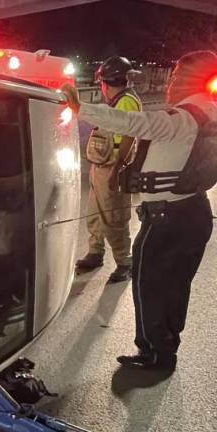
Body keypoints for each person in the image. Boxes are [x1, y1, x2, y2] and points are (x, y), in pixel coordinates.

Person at [61, 50, 217, 371]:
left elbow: (134, 123)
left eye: (177, 76)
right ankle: (167, 348)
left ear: (194, 79)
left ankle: (152, 352)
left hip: (166, 219)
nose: (169, 83)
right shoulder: (216, 111)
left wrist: (80, 107)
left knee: (148, 284)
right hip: (195, 211)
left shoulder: (182, 119)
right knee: (177, 285)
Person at [75, 56, 142, 284]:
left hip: (113, 168)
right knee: (95, 213)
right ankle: (95, 252)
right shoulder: (117, 101)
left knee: (114, 216)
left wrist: (118, 169)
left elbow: (129, 136)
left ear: (104, 82)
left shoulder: (126, 102)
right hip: (101, 166)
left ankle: (125, 262)